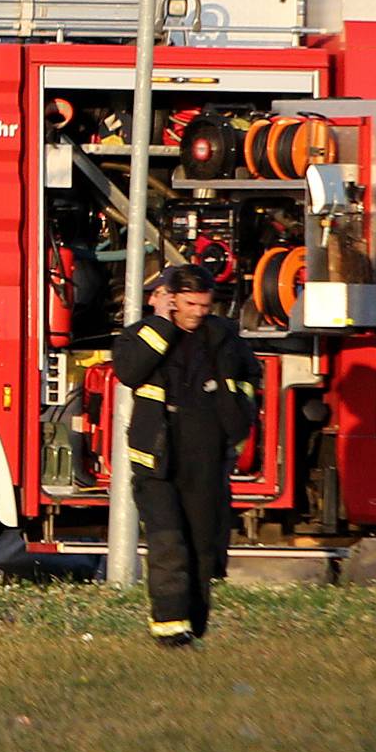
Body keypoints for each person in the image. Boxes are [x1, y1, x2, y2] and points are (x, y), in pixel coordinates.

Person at [111, 262, 257, 645]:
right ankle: (170, 630)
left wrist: (238, 420)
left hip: (207, 457)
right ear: (172, 299)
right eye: (191, 304)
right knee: (168, 542)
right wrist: (161, 325)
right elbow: (130, 371)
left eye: (205, 306)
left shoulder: (223, 337)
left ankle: (194, 626)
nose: (198, 312)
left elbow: (249, 378)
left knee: (202, 546)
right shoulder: (139, 336)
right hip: (158, 460)